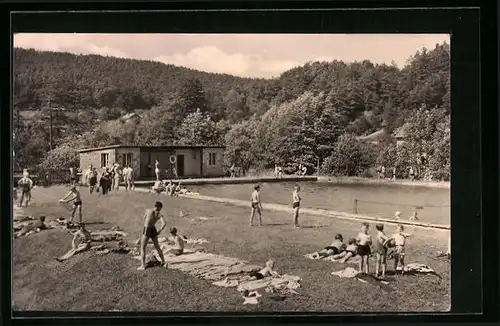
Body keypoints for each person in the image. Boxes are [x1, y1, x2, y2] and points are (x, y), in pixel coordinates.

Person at [137, 201, 168, 270]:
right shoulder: (159, 214)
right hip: (153, 229)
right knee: (157, 247)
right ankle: (163, 261)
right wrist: (159, 230)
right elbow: (164, 223)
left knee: (142, 248)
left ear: (155, 206)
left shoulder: (148, 211)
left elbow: (144, 218)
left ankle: (142, 266)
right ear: (159, 207)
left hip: (147, 229)